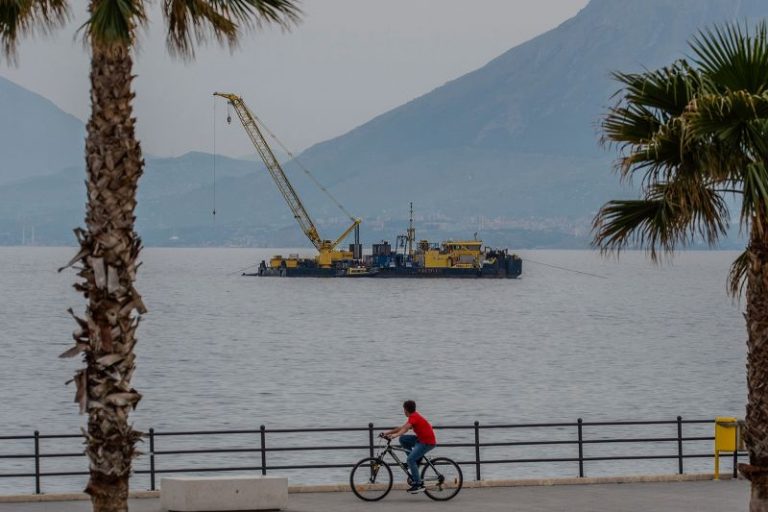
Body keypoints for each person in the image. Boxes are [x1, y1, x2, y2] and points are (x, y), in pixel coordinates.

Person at [382, 400, 437, 493]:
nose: (403, 411)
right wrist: (386, 433)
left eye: (404, 409)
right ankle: (415, 460)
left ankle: (418, 484)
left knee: (410, 459)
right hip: (421, 439)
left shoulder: (414, 417)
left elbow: (405, 429)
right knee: (403, 439)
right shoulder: (414, 416)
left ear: (406, 410)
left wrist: (395, 435)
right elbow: (402, 427)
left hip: (427, 442)